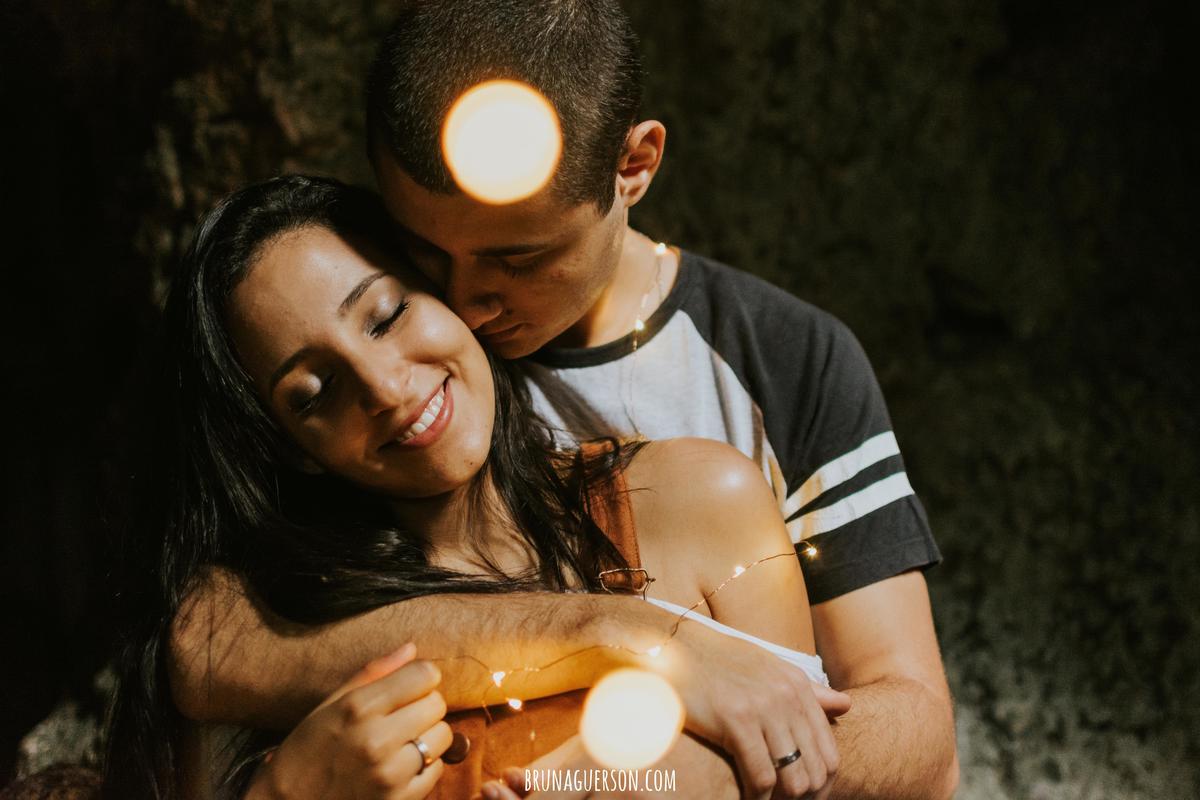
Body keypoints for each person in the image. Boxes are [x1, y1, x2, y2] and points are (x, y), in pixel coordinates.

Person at [172, 2, 959, 798]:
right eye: (423, 251)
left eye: (518, 256)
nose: (470, 299)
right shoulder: (403, 375)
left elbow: (917, 739)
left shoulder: (782, 362)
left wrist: (619, 777)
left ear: (634, 165)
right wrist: (616, 633)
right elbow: (214, 642)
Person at [108, 176, 847, 799]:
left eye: (387, 315)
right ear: (292, 448)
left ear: (448, 286)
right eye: (314, 391)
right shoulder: (251, 630)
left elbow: (808, 769)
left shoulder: (700, 500)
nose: (386, 388)